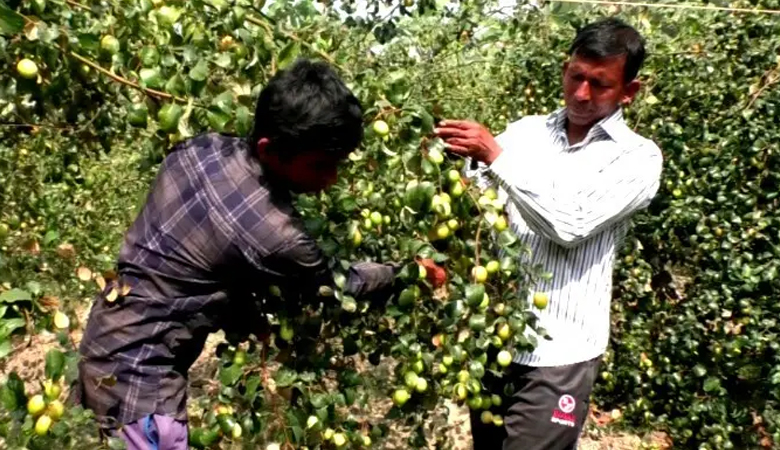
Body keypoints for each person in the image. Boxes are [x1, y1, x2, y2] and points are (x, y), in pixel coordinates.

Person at [71, 58, 398, 450]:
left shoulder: (198, 148)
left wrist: (245, 312)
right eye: (320, 166)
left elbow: (203, 258)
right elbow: (338, 284)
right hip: (140, 383)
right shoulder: (280, 236)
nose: (331, 180)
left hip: (104, 340)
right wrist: (402, 273)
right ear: (269, 149)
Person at [434, 18, 663, 449]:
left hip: (560, 353)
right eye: (576, 76)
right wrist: (448, 159)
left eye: (600, 84)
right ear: (565, 68)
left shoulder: (637, 159)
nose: (581, 93)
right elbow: (477, 198)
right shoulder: (525, 134)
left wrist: (494, 157)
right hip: (498, 338)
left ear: (628, 92)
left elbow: (570, 224)